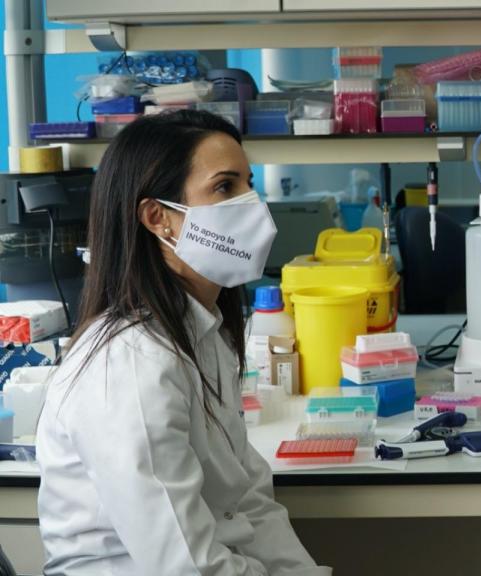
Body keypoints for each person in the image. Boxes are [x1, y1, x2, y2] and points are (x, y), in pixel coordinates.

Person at [36, 110, 331, 575]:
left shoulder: (205, 335)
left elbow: (248, 503)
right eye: (225, 187)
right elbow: (185, 565)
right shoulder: (131, 363)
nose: (252, 205)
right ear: (158, 218)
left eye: (249, 184)